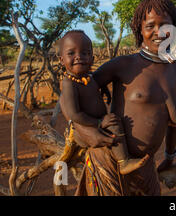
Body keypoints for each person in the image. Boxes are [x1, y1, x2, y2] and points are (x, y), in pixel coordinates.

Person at [91, 0, 176, 196]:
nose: (159, 32)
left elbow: (175, 122)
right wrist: (90, 128)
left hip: (144, 166)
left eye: (166, 26)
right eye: (150, 26)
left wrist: (169, 156)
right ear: (139, 30)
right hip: (112, 165)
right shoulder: (123, 65)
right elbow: (81, 89)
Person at [58, 30, 150, 177]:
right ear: (62, 60)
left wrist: (104, 89)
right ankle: (123, 162)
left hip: (97, 121)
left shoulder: (87, 77)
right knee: (114, 126)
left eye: (85, 53)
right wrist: (100, 122)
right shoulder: (69, 83)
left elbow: (94, 86)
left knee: (115, 121)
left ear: (92, 59)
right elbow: (74, 115)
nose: (79, 57)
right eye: (71, 53)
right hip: (86, 128)